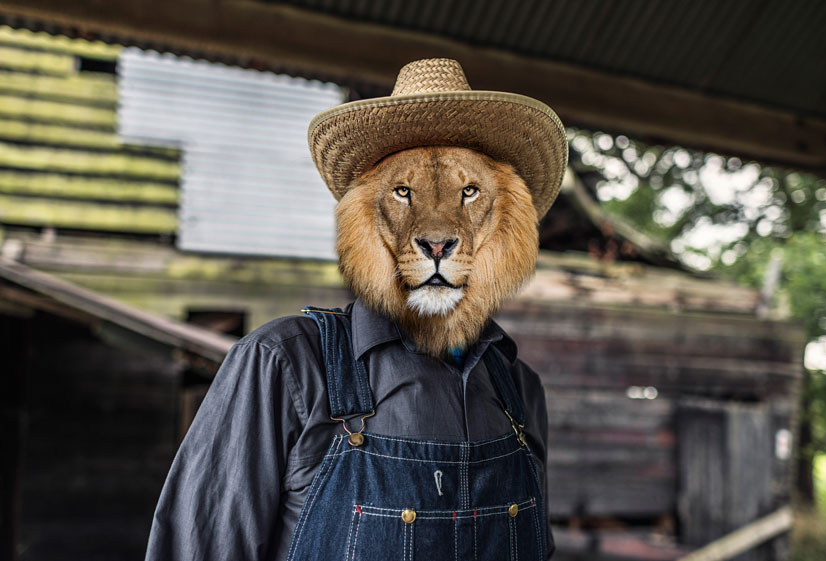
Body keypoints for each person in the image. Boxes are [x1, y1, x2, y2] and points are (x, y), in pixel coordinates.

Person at [145, 58, 567, 561]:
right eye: (404, 193)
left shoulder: (520, 388)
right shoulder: (282, 362)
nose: (436, 234)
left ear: (506, 216)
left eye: (468, 193)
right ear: (364, 213)